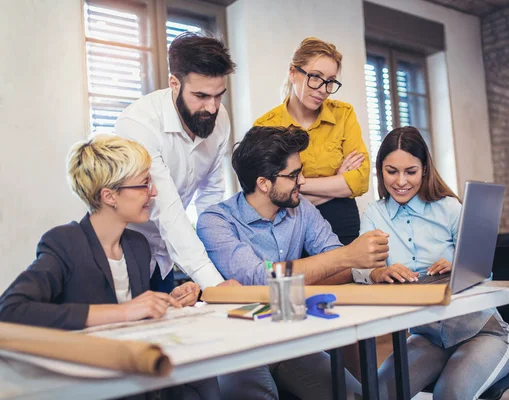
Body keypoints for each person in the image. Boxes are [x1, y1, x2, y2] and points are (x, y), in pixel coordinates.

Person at [0, 135, 217, 399]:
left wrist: (166, 302)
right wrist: (123, 312)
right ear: (109, 196)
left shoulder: (137, 245)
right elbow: (10, 311)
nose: (154, 192)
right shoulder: (64, 243)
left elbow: (134, 310)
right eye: (144, 184)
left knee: (207, 382)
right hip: (91, 382)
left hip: (136, 373)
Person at [197, 125, 390, 400]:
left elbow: (342, 269)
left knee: (356, 396)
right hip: (240, 344)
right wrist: (344, 256)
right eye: (294, 175)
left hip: (290, 339)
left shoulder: (301, 210)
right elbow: (259, 277)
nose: (303, 182)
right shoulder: (216, 221)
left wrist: (325, 267)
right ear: (264, 183)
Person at [357, 127, 509, 400]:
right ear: (380, 171)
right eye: (391, 171)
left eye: (411, 171)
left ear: (425, 170)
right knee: (377, 394)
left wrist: (459, 266)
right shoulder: (374, 214)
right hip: (427, 338)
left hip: (481, 333)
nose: (401, 181)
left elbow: (484, 270)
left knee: (449, 394)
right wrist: (378, 271)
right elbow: (359, 267)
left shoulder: (449, 207)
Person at [115, 32, 239, 293]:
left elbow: (211, 197)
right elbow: (167, 209)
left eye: (219, 95)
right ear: (174, 83)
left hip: (166, 260)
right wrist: (215, 286)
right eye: (201, 96)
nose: (213, 108)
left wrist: (223, 262)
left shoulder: (219, 119)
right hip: (124, 255)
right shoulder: (139, 124)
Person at [254, 37, 369, 246]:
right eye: (315, 77)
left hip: (341, 226)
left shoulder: (344, 115)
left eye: (331, 81)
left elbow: (360, 180)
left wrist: (294, 185)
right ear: (293, 73)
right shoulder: (266, 126)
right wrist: (337, 181)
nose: (323, 89)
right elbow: (267, 194)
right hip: (287, 230)